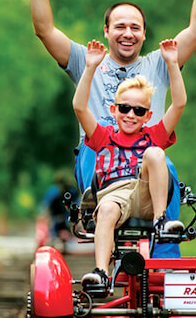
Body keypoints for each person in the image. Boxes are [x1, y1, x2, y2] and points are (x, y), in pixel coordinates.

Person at [27, 0, 196, 258]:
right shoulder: (86, 60)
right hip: (99, 151)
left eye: (134, 28)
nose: (127, 33)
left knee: (163, 164)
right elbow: (44, 30)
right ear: (106, 31)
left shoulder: (159, 64)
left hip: (146, 157)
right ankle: (102, 232)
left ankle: (164, 259)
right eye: (119, 26)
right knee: (96, 152)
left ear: (144, 35)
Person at [74, 38, 187, 293]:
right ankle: (102, 273)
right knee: (106, 211)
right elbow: (79, 106)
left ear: (148, 115)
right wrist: (90, 68)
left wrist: (171, 64)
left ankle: (161, 221)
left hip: (145, 195)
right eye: (125, 108)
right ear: (114, 110)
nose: (130, 115)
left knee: (156, 154)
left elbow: (179, 104)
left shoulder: (152, 135)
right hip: (114, 195)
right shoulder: (103, 136)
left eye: (138, 111)